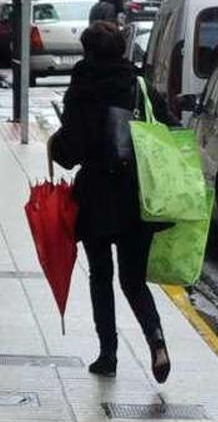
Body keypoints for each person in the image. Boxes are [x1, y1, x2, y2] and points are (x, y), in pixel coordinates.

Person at [49, 21, 177, 383]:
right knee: (134, 280)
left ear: (88, 52)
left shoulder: (81, 89)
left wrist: (57, 144)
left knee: (101, 277)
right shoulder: (137, 85)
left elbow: (70, 152)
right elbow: (168, 127)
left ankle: (108, 354)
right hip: (138, 196)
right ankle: (156, 340)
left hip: (95, 196)